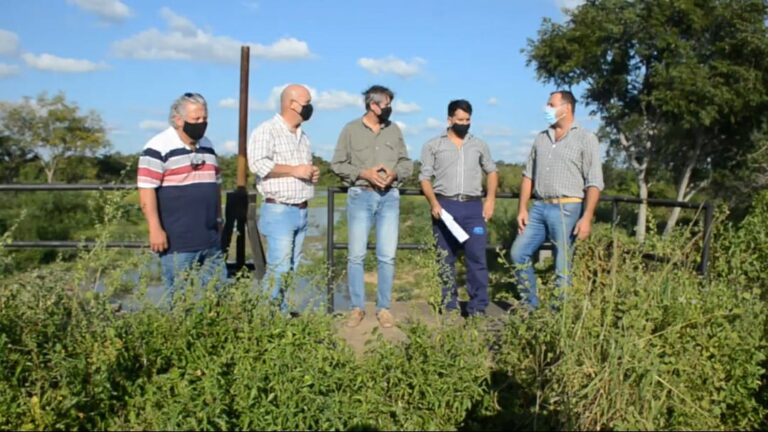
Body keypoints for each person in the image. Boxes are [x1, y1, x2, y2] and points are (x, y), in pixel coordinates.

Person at [510, 90, 604, 310]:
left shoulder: (586, 138)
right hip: (539, 206)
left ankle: (557, 316)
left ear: (566, 108)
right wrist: (522, 208)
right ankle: (530, 307)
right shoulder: (541, 138)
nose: (547, 109)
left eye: (551, 105)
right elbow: (528, 175)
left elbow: (594, 181)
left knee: (562, 264)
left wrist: (587, 217)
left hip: (568, 207)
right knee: (518, 253)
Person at [331, 85, 413, 328]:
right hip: (360, 196)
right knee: (356, 255)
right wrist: (363, 173)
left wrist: (395, 173)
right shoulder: (350, 129)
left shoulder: (394, 129)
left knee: (387, 256)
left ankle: (383, 308)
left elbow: (407, 163)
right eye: (386, 104)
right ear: (372, 104)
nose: (389, 108)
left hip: (390, 197)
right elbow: (337, 164)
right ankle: (357, 308)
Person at [137, 92, 227, 306]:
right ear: (178, 120)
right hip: (178, 239)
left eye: (204, 119)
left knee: (218, 294)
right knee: (179, 297)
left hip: (210, 237)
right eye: (196, 119)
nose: (202, 124)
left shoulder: (207, 144)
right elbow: (146, 189)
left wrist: (219, 218)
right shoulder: (158, 147)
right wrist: (155, 229)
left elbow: (216, 183)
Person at [420, 99, 498, 317]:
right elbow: (425, 178)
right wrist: (433, 202)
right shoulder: (433, 145)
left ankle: (478, 307)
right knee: (445, 258)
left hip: (473, 207)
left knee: (477, 258)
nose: (464, 123)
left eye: (468, 119)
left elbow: (492, 171)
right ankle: (449, 306)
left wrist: (490, 199)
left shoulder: (479, 145)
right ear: (450, 119)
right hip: (445, 206)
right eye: (460, 119)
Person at [247, 84, 319, 310]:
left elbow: (299, 169)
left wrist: (310, 173)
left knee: (291, 269)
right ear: (291, 104)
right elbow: (257, 163)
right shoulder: (266, 130)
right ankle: (267, 320)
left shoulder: (303, 136)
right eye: (306, 103)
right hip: (279, 210)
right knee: (279, 269)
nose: (310, 107)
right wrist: (295, 170)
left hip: (301, 209)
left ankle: (281, 315)